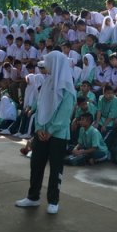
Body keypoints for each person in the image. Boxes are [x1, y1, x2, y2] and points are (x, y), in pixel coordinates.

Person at [15, 51, 75, 215]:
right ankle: (33, 197)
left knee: (56, 168)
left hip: (58, 134)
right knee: (36, 164)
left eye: (48, 62)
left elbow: (65, 113)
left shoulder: (67, 87)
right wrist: (40, 128)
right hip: (42, 132)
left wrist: (50, 130)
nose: (45, 65)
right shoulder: (47, 82)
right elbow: (40, 106)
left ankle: (53, 200)